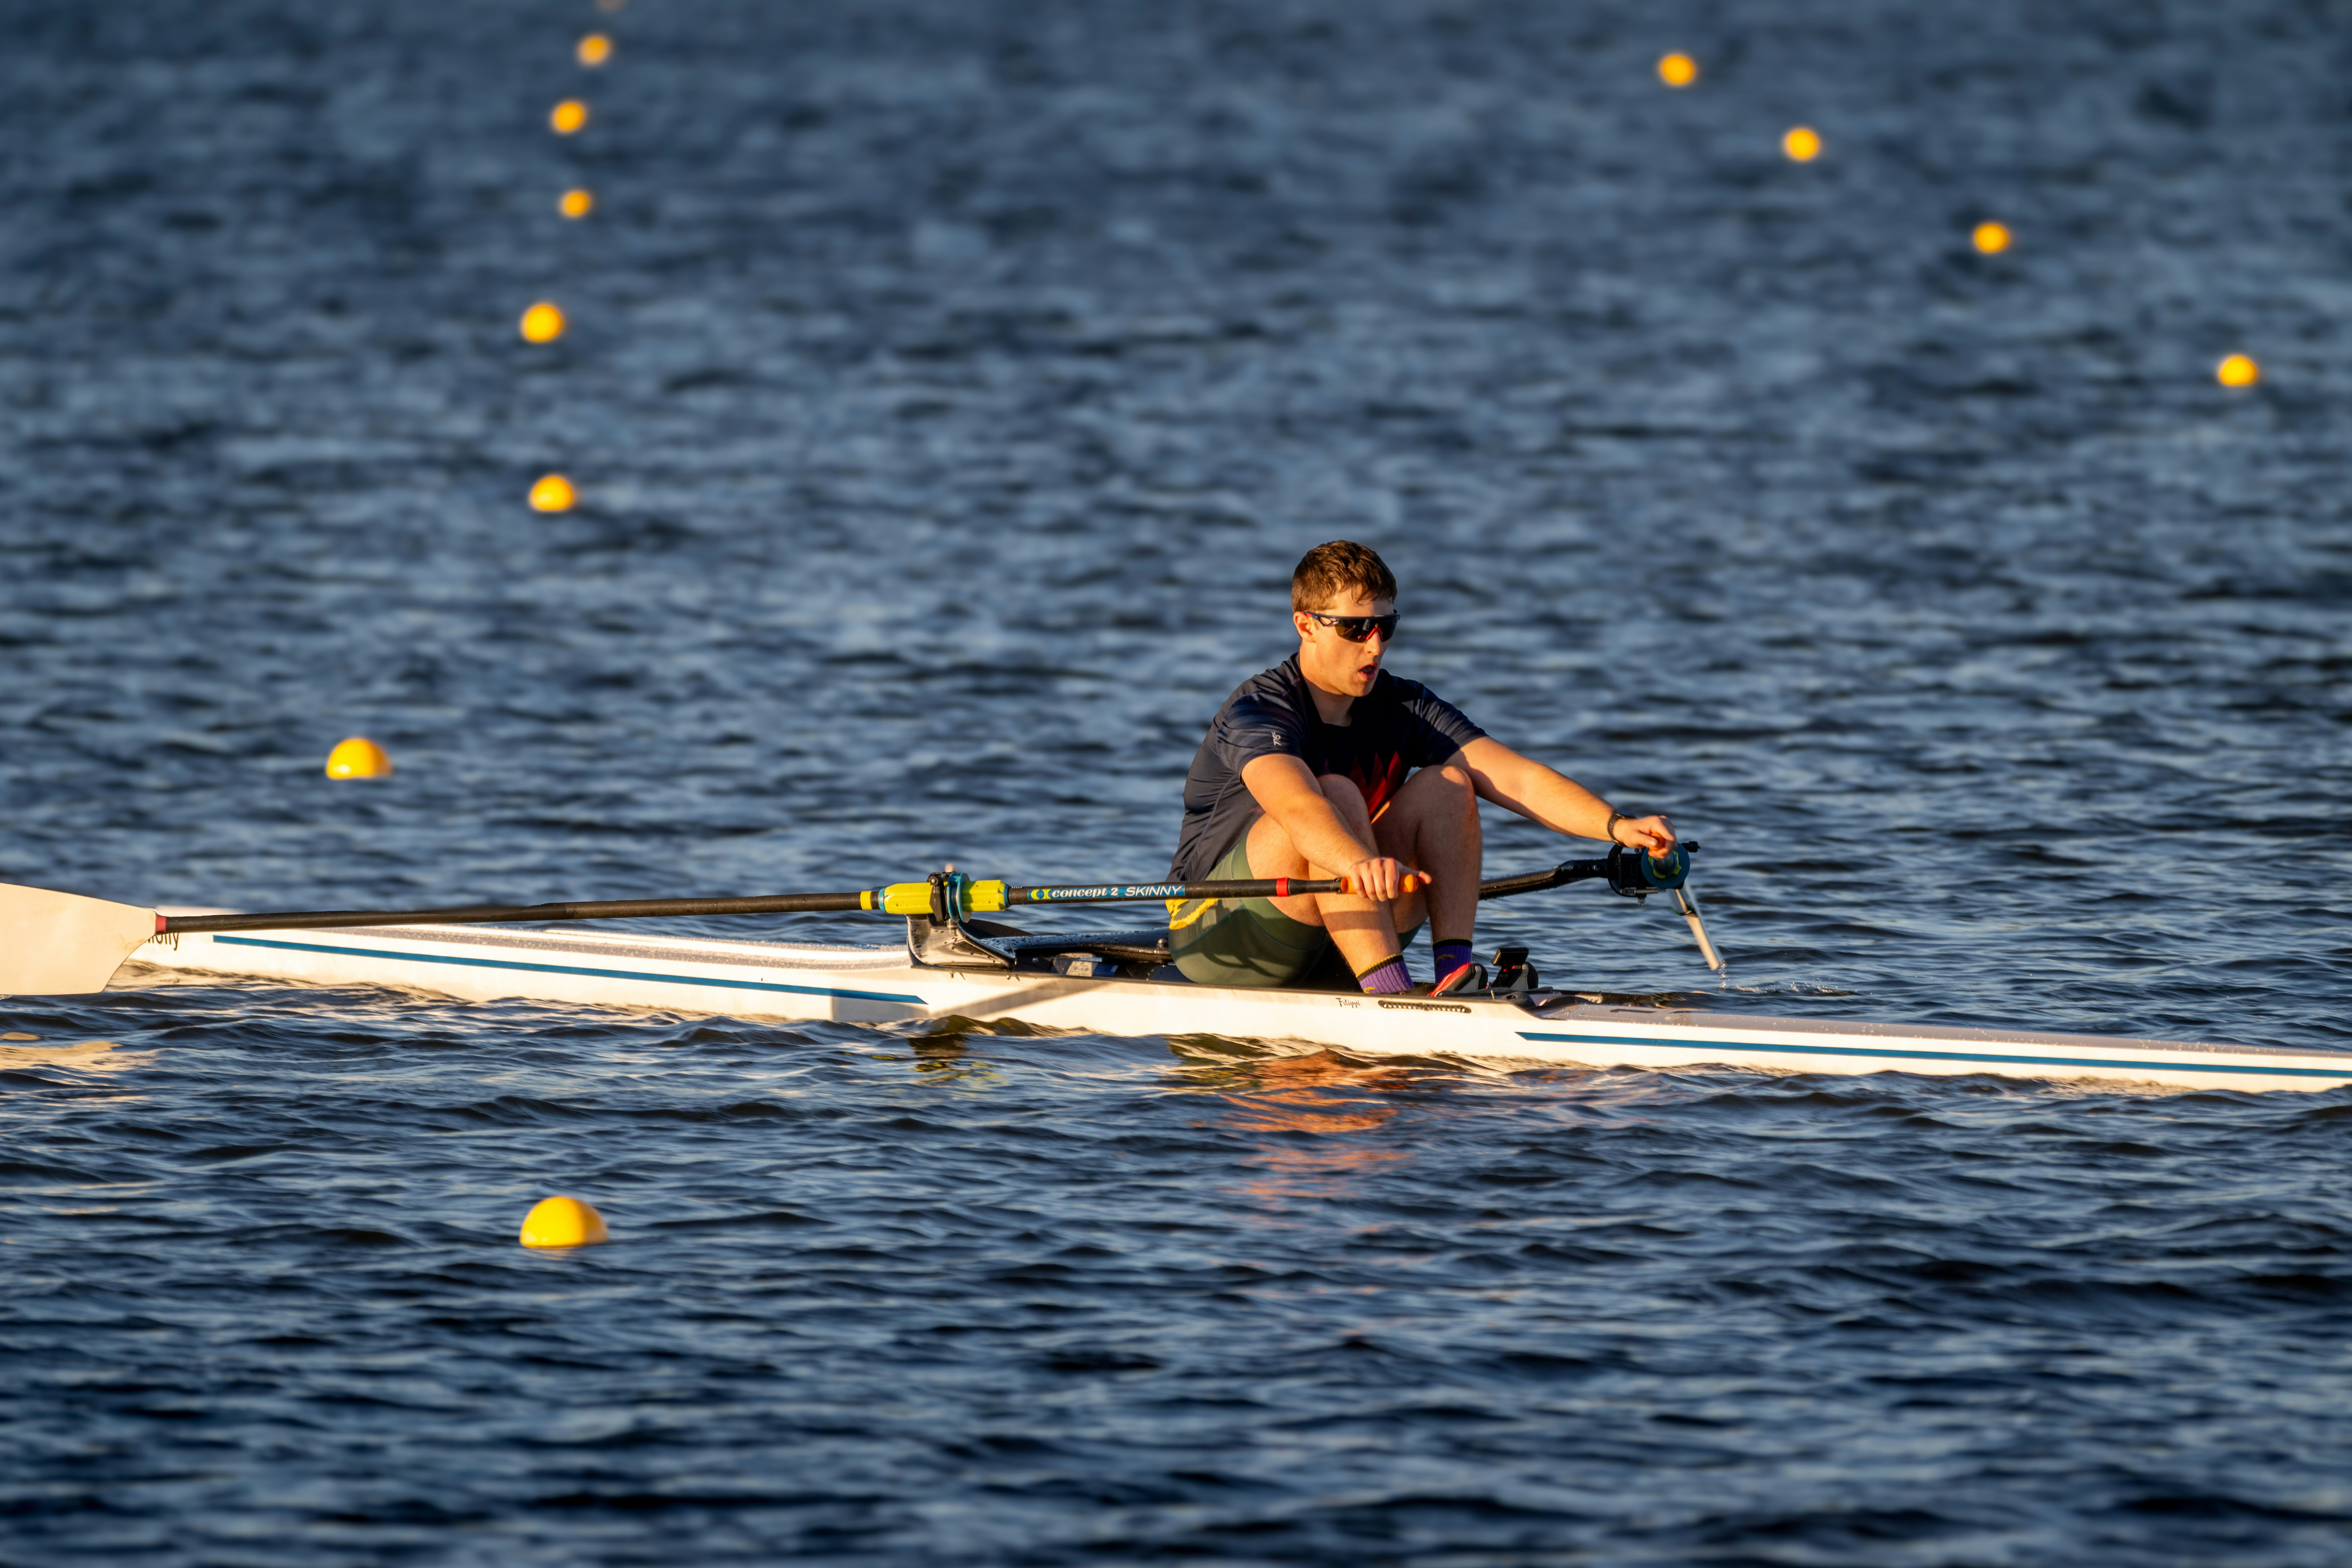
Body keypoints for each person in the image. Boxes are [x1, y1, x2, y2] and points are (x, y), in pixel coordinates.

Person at [1169, 540, 1679, 995]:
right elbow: (1298, 808)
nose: (1375, 645)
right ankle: (1390, 991)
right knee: (1335, 795)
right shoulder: (1259, 711)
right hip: (1218, 931)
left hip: (1345, 920)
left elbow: (1517, 779)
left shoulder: (1403, 706)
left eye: (1385, 627)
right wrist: (1358, 864)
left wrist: (1617, 825)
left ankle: (1452, 976)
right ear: (1306, 625)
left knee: (1449, 785)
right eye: (1355, 629)